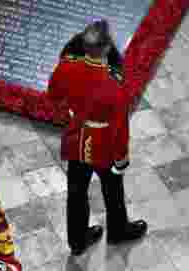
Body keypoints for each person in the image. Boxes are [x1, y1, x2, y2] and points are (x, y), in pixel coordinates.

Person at [47, 18, 147, 256]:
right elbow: (120, 126)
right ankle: (118, 230)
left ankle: (78, 240)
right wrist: (121, 159)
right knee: (112, 190)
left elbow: (53, 95)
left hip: (76, 137)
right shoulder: (114, 82)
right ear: (106, 48)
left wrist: (72, 113)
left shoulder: (66, 66)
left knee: (76, 193)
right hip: (104, 144)